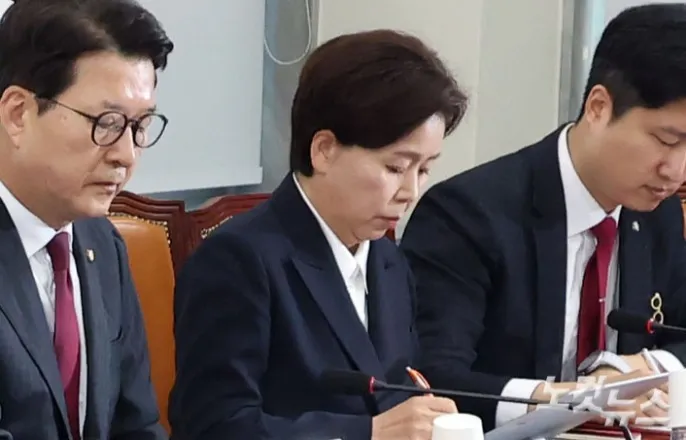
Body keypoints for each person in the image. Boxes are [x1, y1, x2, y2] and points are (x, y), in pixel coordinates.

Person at [169, 29, 468, 440]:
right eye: (396, 168)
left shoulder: (389, 262)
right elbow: (215, 425)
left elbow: (401, 390)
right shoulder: (238, 260)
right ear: (324, 149)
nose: (411, 191)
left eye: (425, 169)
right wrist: (368, 432)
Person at [400, 3, 686, 432]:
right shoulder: (466, 215)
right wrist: (578, 401)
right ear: (598, 107)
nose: (676, 171)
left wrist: (641, 368)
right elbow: (432, 378)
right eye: (666, 140)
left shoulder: (657, 213)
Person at [0, 0, 173, 438]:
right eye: (107, 122)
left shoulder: (103, 244)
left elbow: (138, 424)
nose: (126, 155)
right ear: (18, 114)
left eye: (140, 125)